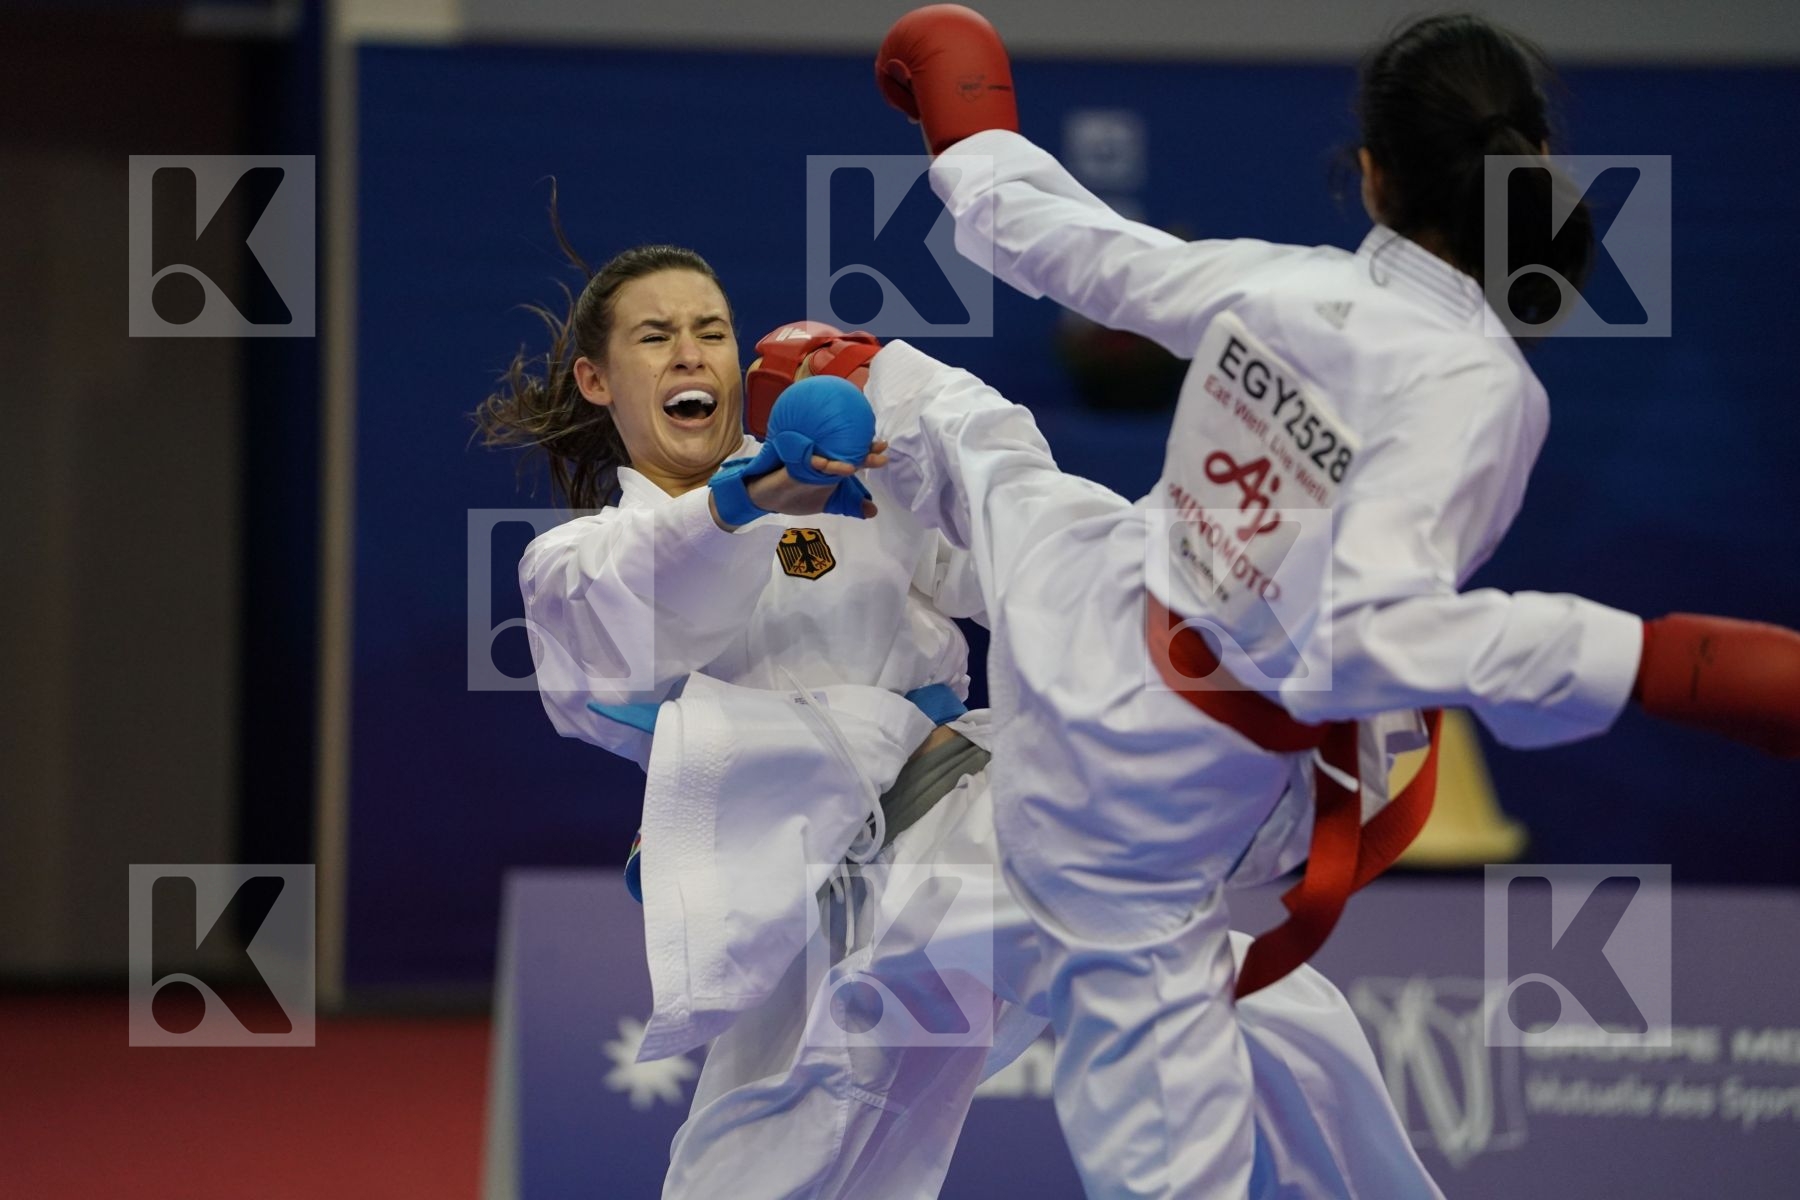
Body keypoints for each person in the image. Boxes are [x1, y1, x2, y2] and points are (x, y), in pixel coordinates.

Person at [837, 7, 1800, 1197]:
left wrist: (964, 100)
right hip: (1141, 803)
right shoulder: (1478, 388)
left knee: (973, 442)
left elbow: (1051, 236)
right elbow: (1363, 635)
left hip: (1080, 606)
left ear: (1373, 176)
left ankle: (844, 386)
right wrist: (1653, 663)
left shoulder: (1284, 284)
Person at [478, 232, 1451, 1198]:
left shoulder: (844, 480)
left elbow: (1033, 559)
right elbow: (639, 621)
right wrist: (757, 497)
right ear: (598, 380)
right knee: (756, 1170)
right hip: (805, 911)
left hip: (958, 827)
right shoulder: (579, 562)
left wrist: (914, 428)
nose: (691, 354)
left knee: (1263, 1007)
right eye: (656, 337)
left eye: (712, 330)